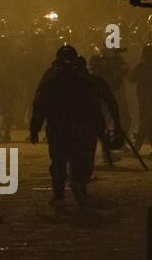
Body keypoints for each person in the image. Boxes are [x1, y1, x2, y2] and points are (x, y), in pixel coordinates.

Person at [30, 45, 102, 205]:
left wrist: (35, 126)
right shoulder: (74, 78)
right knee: (65, 160)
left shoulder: (56, 78)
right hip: (66, 126)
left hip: (65, 126)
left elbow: (40, 103)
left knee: (62, 160)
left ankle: (63, 190)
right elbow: (41, 103)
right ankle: (66, 189)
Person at [129, 42, 152, 154]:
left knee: (145, 123)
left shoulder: (142, 66)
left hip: (145, 100)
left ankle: (137, 148)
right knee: (148, 124)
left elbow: (131, 79)